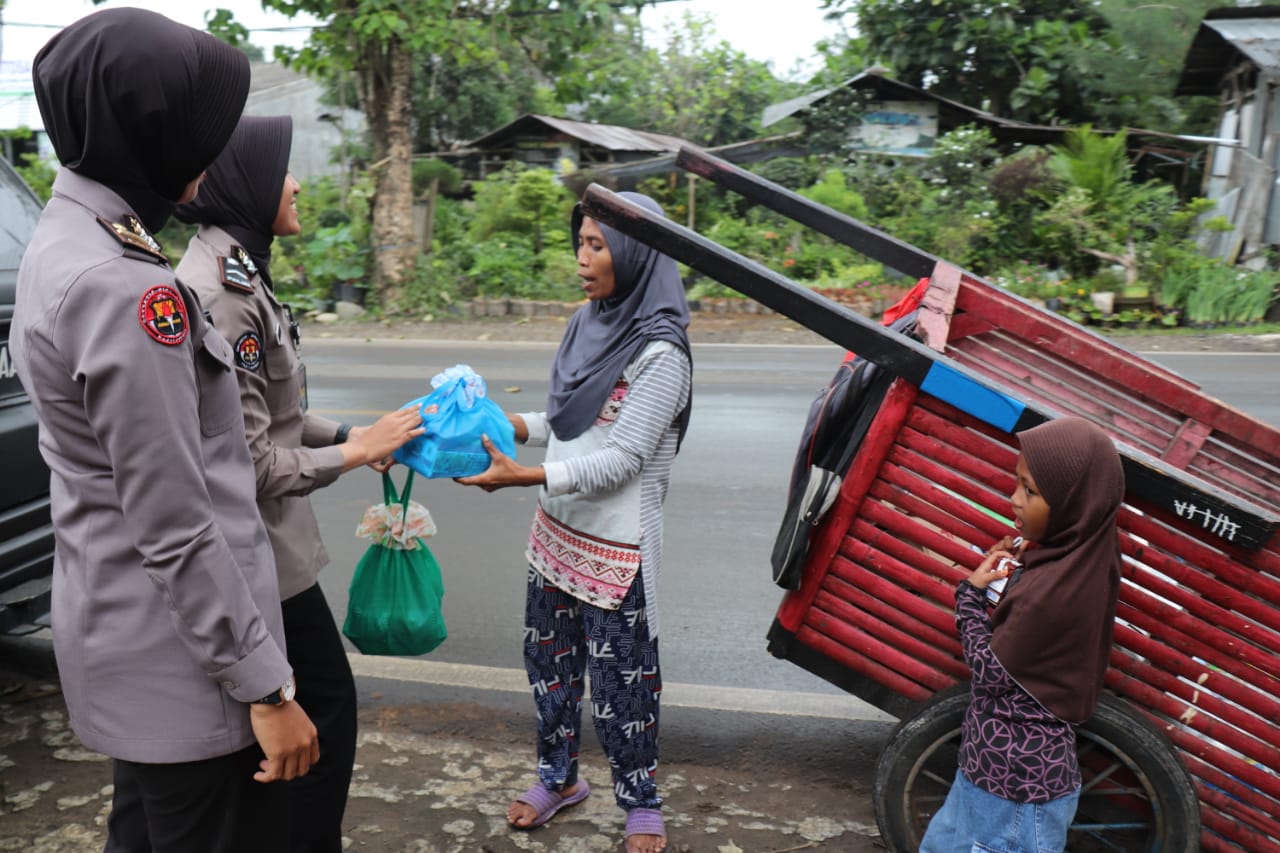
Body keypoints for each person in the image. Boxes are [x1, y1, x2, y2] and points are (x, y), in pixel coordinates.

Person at [11, 9, 328, 852]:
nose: (209, 154)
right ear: (145, 128)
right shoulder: (125, 288)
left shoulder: (65, 241)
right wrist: (267, 688)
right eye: (196, 131)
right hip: (187, 667)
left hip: (134, 640)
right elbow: (175, 519)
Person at [173, 114, 424, 852]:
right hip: (257, 560)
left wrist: (351, 435)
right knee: (323, 713)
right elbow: (251, 463)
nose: (296, 183)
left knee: (307, 721)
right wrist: (354, 453)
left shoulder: (241, 270)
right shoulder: (222, 296)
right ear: (245, 181)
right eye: (282, 167)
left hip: (270, 554)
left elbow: (276, 414)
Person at [457, 192, 692, 853]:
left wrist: (523, 476)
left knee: (624, 688)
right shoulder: (586, 323)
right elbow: (568, 424)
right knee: (551, 673)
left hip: (617, 551)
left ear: (636, 253)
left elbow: (622, 460)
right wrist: (503, 425)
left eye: (597, 245)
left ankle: (641, 799)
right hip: (556, 537)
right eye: (580, 243)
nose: (582, 259)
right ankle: (558, 779)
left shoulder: (662, 353)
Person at [919, 416, 1125, 853]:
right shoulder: (1081, 557)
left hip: (1013, 791)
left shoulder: (1050, 594)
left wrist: (969, 596)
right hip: (993, 771)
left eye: (1029, 491)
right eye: (1018, 484)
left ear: (1071, 505)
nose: (1014, 500)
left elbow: (990, 671)